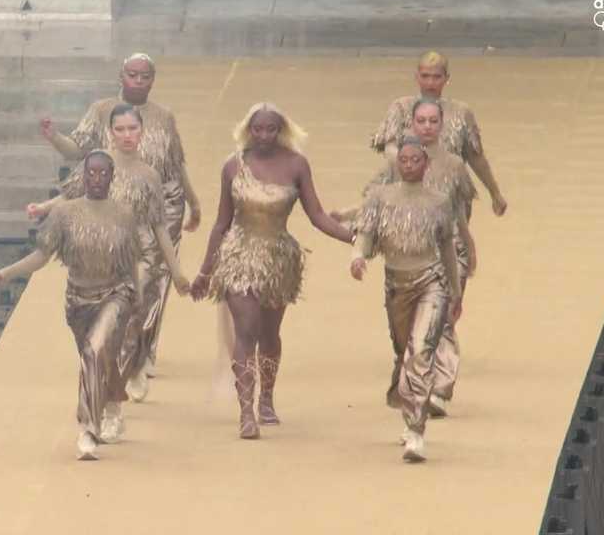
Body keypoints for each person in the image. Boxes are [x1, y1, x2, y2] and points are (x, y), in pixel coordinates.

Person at [190, 102, 355, 439]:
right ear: (248, 130)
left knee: (269, 335)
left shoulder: (297, 165)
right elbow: (221, 223)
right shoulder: (232, 167)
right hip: (238, 256)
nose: (264, 135)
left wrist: (356, 238)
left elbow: (318, 215)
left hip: (278, 259)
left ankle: (267, 397)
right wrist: (205, 272)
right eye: (258, 128)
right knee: (245, 329)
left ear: (281, 131)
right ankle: (246, 411)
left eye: (271, 129)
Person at [40, 53, 201, 376]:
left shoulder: (164, 117)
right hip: (114, 203)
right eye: (132, 75)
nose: (139, 82)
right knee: (119, 280)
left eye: (145, 77)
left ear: (153, 80)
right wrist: (54, 137)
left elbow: (176, 162)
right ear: (120, 76)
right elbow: (78, 149)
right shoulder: (101, 111)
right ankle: (121, 346)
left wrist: (194, 202)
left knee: (152, 281)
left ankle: (141, 351)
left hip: (162, 203)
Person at [0, 151, 142, 461]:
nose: (96, 179)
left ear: (112, 177)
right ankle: (112, 405)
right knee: (97, 360)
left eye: (102, 173)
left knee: (96, 351)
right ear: (83, 177)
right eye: (90, 173)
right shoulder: (64, 214)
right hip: (79, 299)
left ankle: (87, 429)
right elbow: (41, 256)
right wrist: (3, 274)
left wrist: (137, 296)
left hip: (116, 293)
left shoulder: (124, 214)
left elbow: (130, 259)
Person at [29, 104, 191, 402]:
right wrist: (43, 207)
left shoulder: (149, 175)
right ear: (110, 132)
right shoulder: (99, 163)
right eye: (120, 129)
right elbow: (72, 194)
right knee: (111, 329)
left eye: (132, 128)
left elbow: (159, 226)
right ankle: (114, 385)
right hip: (106, 257)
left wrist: (177, 271)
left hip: (142, 254)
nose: (127, 135)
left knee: (135, 313)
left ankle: (135, 364)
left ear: (142, 131)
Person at [338, 99, 477, 417]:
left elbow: (459, 211)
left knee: (439, 325)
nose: (427, 127)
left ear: (442, 124)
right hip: (401, 260)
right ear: (411, 124)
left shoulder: (454, 165)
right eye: (421, 121)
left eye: (433, 121)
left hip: (445, 250)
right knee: (407, 341)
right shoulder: (395, 166)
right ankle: (411, 382)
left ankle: (438, 390)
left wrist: (468, 244)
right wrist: (352, 232)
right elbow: (373, 204)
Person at [350, 140, 462, 462]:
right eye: (404, 160)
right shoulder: (380, 199)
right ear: (397, 163)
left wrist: (454, 292)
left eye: (416, 160)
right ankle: (408, 407)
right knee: (404, 351)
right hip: (397, 284)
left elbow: (448, 250)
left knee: (421, 353)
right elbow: (366, 234)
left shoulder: (439, 202)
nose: (409, 164)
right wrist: (357, 258)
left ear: (425, 164)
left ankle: (416, 430)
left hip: (432, 281)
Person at [370, 50, 508, 217]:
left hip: (450, 197)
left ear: (446, 78)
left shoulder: (462, 112)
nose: (430, 83)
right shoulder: (400, 107)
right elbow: (390, 150)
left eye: (436, 77)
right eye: (425, 76)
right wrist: (411, 173)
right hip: (407, 197)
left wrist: (495, 192)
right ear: (417, 77)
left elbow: (475, 157)